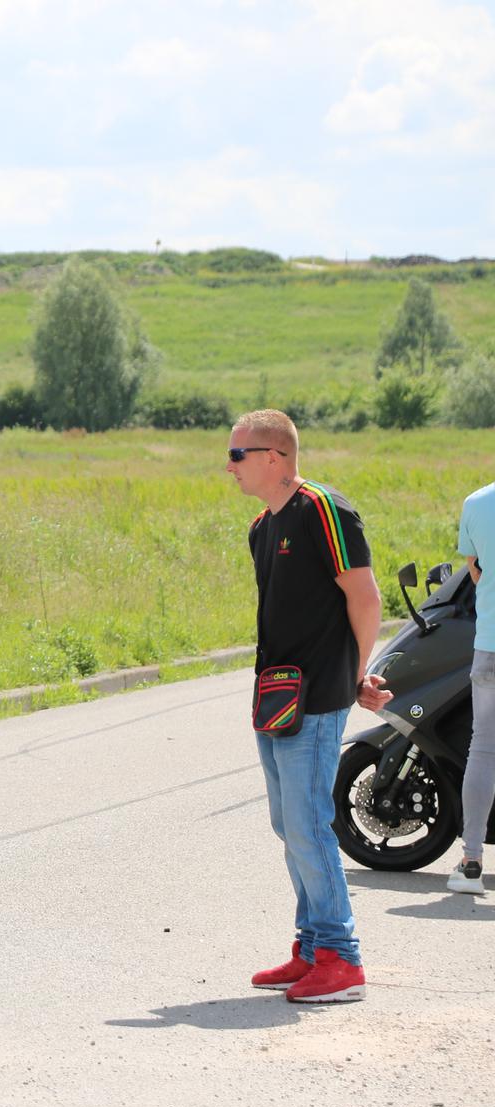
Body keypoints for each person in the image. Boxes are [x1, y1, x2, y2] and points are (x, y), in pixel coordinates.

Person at [229, 409, 390, 1004]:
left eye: (238, 454)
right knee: (288, 826)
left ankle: (341, 959)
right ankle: (311, 947)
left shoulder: (325, 508)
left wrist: (353, 676)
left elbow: (364, 599)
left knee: (309, 825)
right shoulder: (260, 526)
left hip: (318, 695)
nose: (230, 466)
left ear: (275, 456)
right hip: (274, 697)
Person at [451, 479, 495, 895]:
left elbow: (475, 570)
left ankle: (471, 862)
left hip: (490, 647)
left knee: (484, 748)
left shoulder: (477, 502)